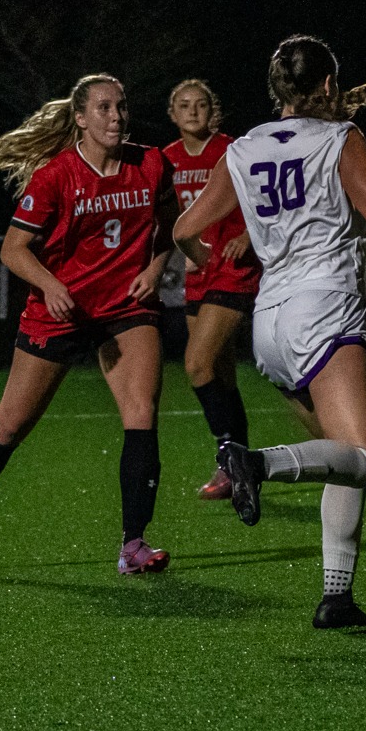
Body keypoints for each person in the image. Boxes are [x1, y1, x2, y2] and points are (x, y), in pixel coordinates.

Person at [173, 35, 366, 627]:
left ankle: (337, 596)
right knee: (363, 459)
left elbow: (185, 229)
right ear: (330, 86)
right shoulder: (342, 137)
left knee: (340, 456)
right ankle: (254, 462)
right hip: (325, 307)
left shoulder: (242, 147)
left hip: (268, 320)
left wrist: (209, 256)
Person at [0, 75, 175, 577]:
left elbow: (170, 223)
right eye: (103, 108)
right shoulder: (56, 176)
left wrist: (154, 268)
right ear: (80, 118)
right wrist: (52, 285)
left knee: (142, 411)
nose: (116, 117)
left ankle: (133, 545)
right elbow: (12, 249)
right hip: (59, 313)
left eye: (121, 107)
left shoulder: (150, 163)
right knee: (8, 427)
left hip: (124, 308)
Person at [163, 79, 258, 499]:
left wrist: (250, 237)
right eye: (184, 105)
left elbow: (264, 196)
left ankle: (230, 463)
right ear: (173, 113)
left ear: (212, 110)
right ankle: (243, 464)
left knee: (197, 365)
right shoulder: (166, 159)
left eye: (201, 105)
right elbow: (159, 217)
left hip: (233, 268)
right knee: (221, 375)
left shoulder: (234, 149)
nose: (193, 112)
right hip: (197, 272)